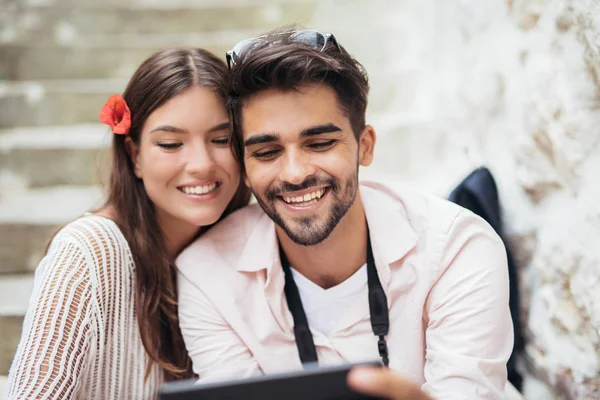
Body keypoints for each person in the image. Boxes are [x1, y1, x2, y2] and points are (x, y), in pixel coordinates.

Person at [176, 28, 514, 399]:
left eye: (319, 143)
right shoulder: (206, 273)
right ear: (243, 162)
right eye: (267, 152)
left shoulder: (457, 248)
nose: (295, 173)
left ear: (365, 146)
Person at [5, 48, 250, 399]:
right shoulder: (87, 251)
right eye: (171, 143)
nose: (201, 164)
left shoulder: (247, 243)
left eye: (222, 139)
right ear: (134, 155)